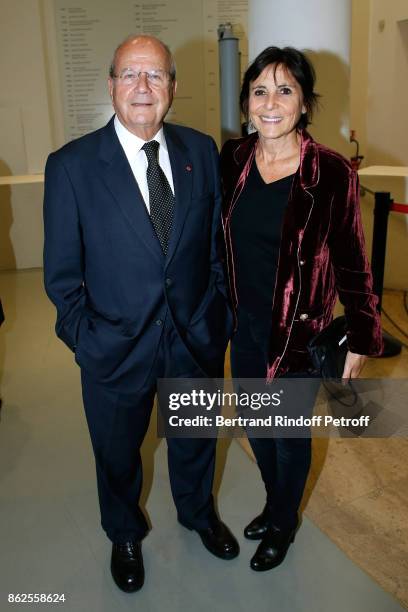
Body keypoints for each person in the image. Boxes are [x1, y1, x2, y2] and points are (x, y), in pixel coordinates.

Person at [44, 34, 239, 593]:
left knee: (196, 440)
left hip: (194, 337)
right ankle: (124, 533)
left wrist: (217, 314)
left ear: (173, 88)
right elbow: (61, 278)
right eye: (130, 74)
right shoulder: (72, 166)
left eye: (155, 76)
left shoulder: (201, 151)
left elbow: (212, 250)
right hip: (114, 348)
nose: (142, 87)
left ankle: (199, 514)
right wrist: (88, 339)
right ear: (111, 86)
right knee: (117, 453)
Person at [221, 47, 382, 572]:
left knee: (288, 437)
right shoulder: (235, 160)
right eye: (259, 91)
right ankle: (275, 503)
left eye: (284, 90)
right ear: (246, 102)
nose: (270, 103)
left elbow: (355, 262)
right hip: (242, 327)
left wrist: (362, 334)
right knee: (256, 426)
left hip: (297, 335)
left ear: (305, 103)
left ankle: (284, 523)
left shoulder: (330, 172)